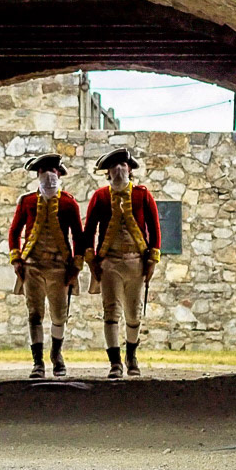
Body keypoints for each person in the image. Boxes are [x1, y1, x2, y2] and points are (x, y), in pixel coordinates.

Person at [83, 148, 161, 379]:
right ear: (107, 172)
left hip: (136, 262)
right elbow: (89, 231)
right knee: (111, 312)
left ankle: (132, 355)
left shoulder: (142, 195)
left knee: (134, 313)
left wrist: (152, 260)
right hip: (109, 262)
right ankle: (115, 362)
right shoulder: (100, 196)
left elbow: (154, 229)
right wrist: (91, 261)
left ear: (130, 169)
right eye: (114, 166)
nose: (119, 169)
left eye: (123, 165)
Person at [7, 153, 84, 379]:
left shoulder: (69, 203)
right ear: (38, 175)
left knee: (59, 315)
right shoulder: (27, 201)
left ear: (59, 175)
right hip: (33, 266)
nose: (49, 175)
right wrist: (16, 258)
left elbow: (79, 236)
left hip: (60, 268)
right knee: (35, 314)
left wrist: (76, 265)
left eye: (53, 171)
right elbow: (15, 232)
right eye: (44, 172)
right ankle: (37, 362)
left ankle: (56, 355)